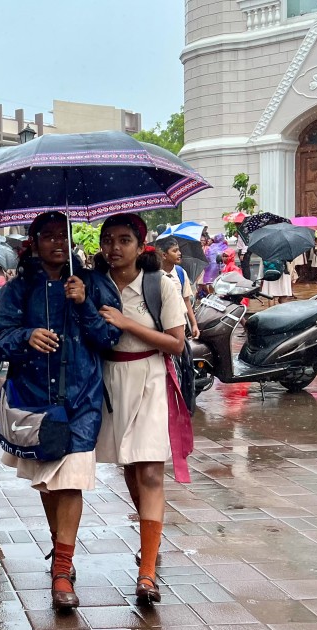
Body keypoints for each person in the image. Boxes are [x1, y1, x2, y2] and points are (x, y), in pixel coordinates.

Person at [0, 212, 121, 610]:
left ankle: (61, 569)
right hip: (34, 401)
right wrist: (26, 336)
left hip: (81, 400)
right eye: (46, 236)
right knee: (50, 482)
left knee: (71, 481)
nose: (56, 243)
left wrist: (83, 304)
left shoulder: (93, 283)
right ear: (33, 242)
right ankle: (60, 550)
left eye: (61, 236)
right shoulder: (18, 290)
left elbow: (109, 338)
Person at [93, 213, 191, 605]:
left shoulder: (160, 284)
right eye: (108, 240)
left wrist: (127, 323)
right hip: (110, 383)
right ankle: (150, 540)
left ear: (140, 245)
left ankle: (146, 573)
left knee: (149, 470)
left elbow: (176, 343)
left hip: (150, 378)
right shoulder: (92, 284)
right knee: (130, 468)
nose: (115, 248)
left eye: (124, 240)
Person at [155, 237, 200, 338]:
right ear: (164, 255)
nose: (179, 253)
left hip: (180, 325)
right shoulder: (155, 275)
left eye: (179, 250)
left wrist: (194, 324)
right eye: (175, 251)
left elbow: (186, 300)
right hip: (161, 326)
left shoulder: (180, 273)